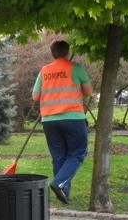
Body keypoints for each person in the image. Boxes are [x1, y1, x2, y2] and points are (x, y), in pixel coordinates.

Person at [31, 40, 93, 204]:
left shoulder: (44, 71)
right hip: (73, 117)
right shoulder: (76, 68)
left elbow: (35, 96)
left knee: (59, 156)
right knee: (78, 153)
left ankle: (63, 192)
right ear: (67, 52)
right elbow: (88, 91)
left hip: (49, 120)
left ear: (52, 53)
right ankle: (59, 183)